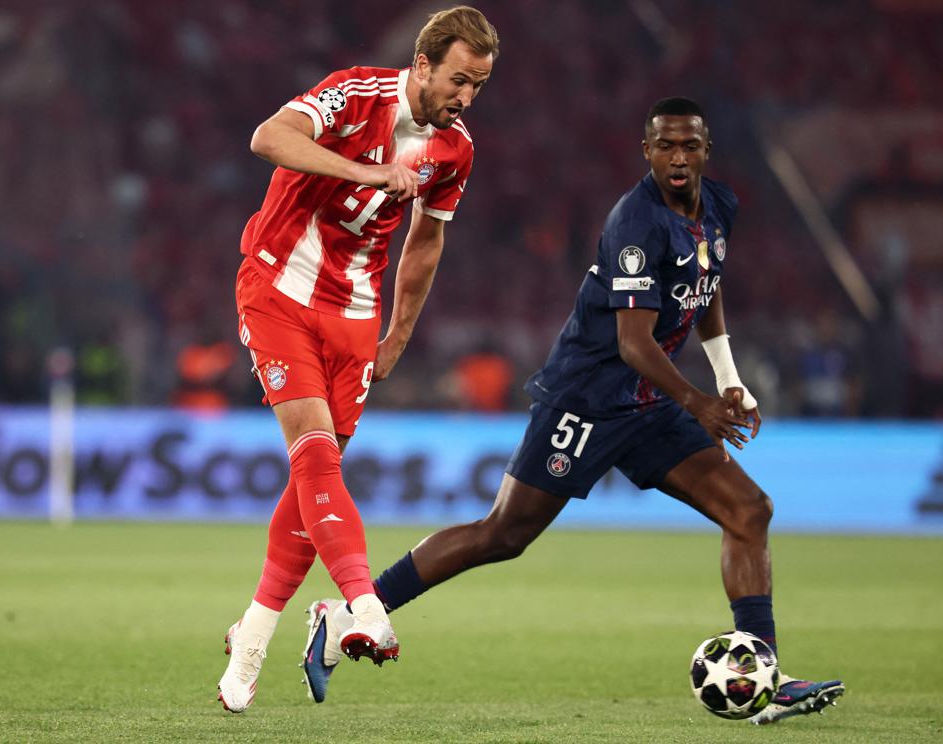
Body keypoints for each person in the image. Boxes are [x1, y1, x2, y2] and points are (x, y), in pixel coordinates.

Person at [303, 97, 845, 725]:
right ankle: (350, 611)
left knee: (749, 511)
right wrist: (698, 402)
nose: (677, 158)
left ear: (706, 152)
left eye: (689, 146)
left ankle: (763, 678)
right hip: (587, 398)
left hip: (647, 401)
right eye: (665, 146)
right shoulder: (636, 223)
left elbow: (706, 282)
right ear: (647, 151)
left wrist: (728, 378)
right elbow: (633, 343)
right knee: (503, 535)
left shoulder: (719, 205)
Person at [216, 6, 499, 713]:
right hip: (279, 287)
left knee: (314, 481)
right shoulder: (355, 92)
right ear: (423, 63)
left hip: (355, 314)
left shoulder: (455, 151)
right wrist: (364, 171)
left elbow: (426, 241)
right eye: (459, 80)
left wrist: (397, 335)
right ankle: (363, 606)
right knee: (315, 457)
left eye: (478, 86)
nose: (466, 97)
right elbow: (268, 137)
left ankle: (252, 631)